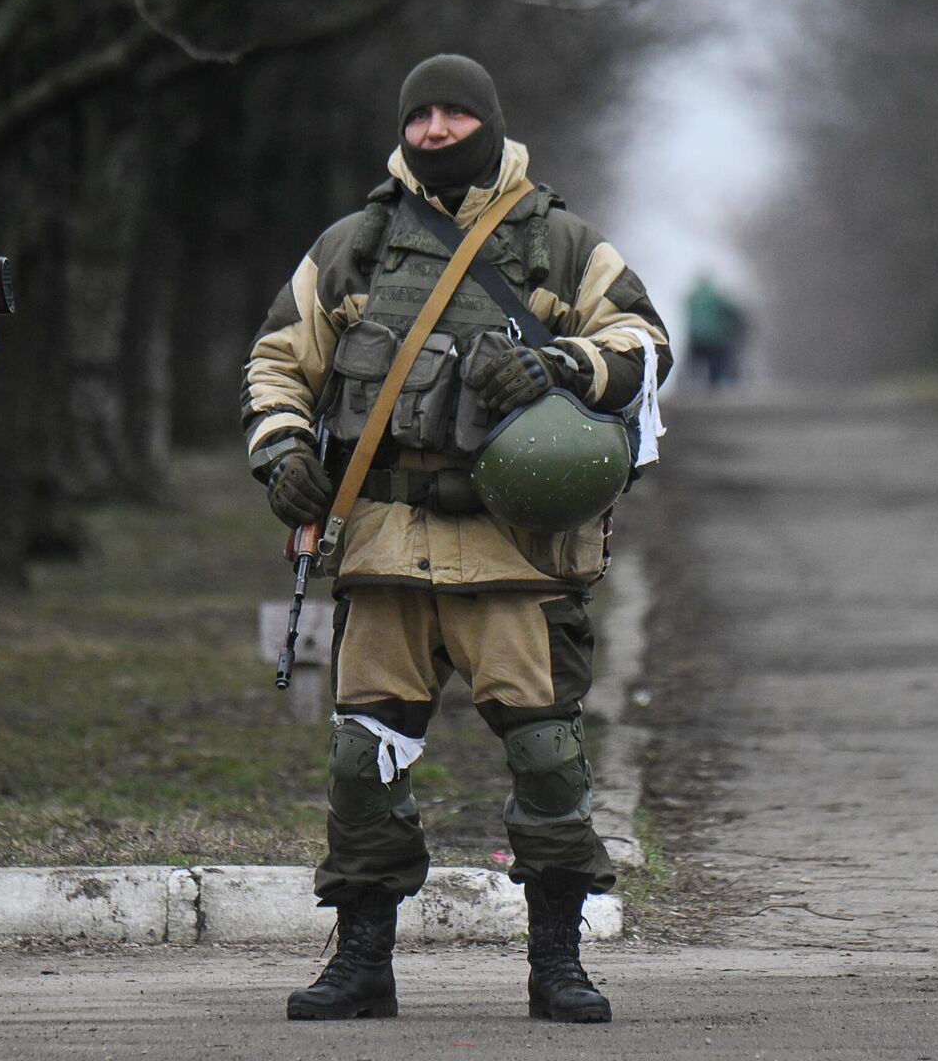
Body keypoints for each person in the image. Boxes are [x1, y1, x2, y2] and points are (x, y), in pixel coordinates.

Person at [241, 54, 671, 1024]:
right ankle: (360, 959)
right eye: (421, 114)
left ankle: (557, 962)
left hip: (518, 558)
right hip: (386, 548)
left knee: (549, 759)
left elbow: (644, 342)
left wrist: (560, 364)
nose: (435, 129)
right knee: (362, 761)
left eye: (453, 113)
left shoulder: (559, 243)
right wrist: (279, 459)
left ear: (489, 121)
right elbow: (279, 358)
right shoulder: (353, 247)